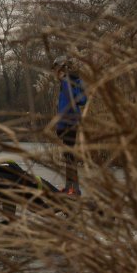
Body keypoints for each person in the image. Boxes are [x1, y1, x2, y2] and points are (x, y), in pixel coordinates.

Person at [52, 56, 87, 195]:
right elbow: (79, 101)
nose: (55, 73)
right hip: (67, 123)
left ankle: (74, 189)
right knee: (68, 155)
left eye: (56, 70)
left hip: (69, 123)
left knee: (70, 156)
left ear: (62, 69)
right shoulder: (70, 82)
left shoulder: (70, 82)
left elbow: (78, 101)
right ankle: (70, 187)